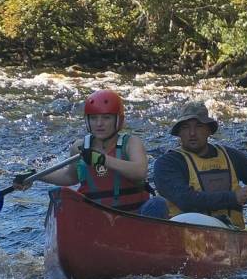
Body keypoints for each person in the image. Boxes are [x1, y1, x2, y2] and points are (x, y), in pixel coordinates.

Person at [139, 101, 247, 238]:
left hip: (228, 231)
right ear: (179, 133)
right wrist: (233, 197)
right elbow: (186, 200)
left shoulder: (231, 156)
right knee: (155, 205)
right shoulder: (167, 164)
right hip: (185, 230)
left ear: (209, 130)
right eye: (186, 127)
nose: (192, 133)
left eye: (199, 126)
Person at [13, 89, 151, 211]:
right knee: (63, 199)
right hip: (95, 217)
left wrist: (102, 159)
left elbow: (139, 172)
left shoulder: (131, 143)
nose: (99, 124)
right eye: (94, 118)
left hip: (134, 214)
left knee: (158, 204)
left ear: (118, 120)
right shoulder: (79, 147)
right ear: (87, 121)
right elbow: (70, 177)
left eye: (106, 118)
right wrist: (36, 176)